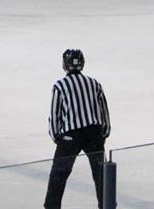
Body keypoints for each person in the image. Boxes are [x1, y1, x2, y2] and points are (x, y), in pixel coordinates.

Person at [44, 49, 111, 209]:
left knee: (58, 175)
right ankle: (106, 206)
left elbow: (55, 115)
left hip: (71, 136)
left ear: (64, 65)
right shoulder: (94, 83)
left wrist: (57, 137)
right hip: (94, 134)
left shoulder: (60, 86)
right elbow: (104, 112)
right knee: (101, 176)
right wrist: (103, 134)